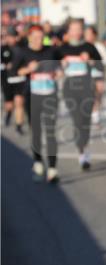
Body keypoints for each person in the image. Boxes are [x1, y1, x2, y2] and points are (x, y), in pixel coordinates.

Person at [11, 25, 61, 182]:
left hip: (50, 94)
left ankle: (52, 169)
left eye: (41, 37)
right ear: (29, 37)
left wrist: (59, 73)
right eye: (35, 37)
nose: (39, 40)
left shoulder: (51, 51)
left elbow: (60, 66)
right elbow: (13, 72)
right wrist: (27, 69)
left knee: (51, 131)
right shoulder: (23, 52)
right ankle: (38, 161)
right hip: (32, 96)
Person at [59, 19, 102, 171]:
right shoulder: (62, 49)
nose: (77, 31)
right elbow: (53, 68)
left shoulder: (89, 47)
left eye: (79, 28)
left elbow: (100, 64)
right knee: (77, 120)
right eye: (74, 29)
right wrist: (61, 65)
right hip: (70, 88)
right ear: (68, 31)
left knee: (85, 121)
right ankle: (81, 152)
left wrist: (90, 61)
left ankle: (85, 146)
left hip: (87, 88)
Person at [84, 25, 106, 124]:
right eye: (86, 34)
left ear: (94, 35)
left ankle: (95, 113)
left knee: (98, 93)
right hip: (85, 75)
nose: (88, 36)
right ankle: (89, 111)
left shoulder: (99, 46)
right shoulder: (81, 47)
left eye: (90, 34)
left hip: (98, 74)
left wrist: (96, 62)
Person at [2, 28, 26, 133]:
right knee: (9, 104)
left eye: (12, 36)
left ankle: (19, 126)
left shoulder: (22, 49)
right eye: (8, 36)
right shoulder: (3, 49)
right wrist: (6, 65)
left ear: (16, 37)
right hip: (6, 80)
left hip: (19, 80)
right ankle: (8, 114)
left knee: (19, 102)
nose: (10, 38)